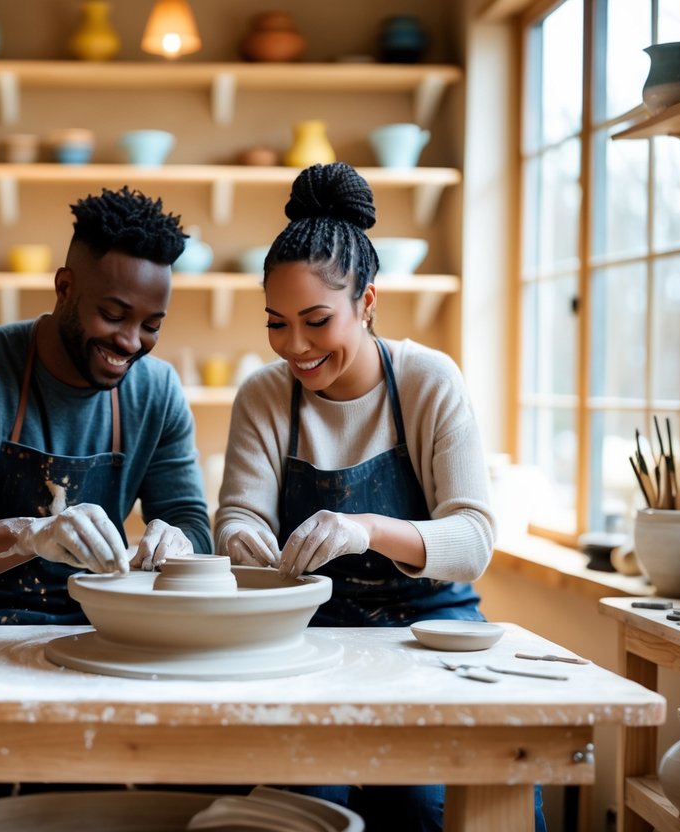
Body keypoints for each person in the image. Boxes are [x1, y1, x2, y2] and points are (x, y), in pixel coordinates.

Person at [215, 162, 544, 831]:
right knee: (295, 805)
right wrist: (240, 539)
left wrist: (366, 528)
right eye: (276, 323)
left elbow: (473, 539)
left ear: (367, 302)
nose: (295, 347)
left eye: (315, 321)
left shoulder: (426, 380)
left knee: (425, 805)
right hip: (308, 639)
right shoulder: (263, 393)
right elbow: (239, 511)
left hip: (430, 632)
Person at [0, 184, 212, 624]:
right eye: (114, 315)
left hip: (96, 628)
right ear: (64, 287)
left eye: (151, 325)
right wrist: (30, 535)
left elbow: (189, 520)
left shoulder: (156, 392)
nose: (131, 341)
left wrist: (179, 542)